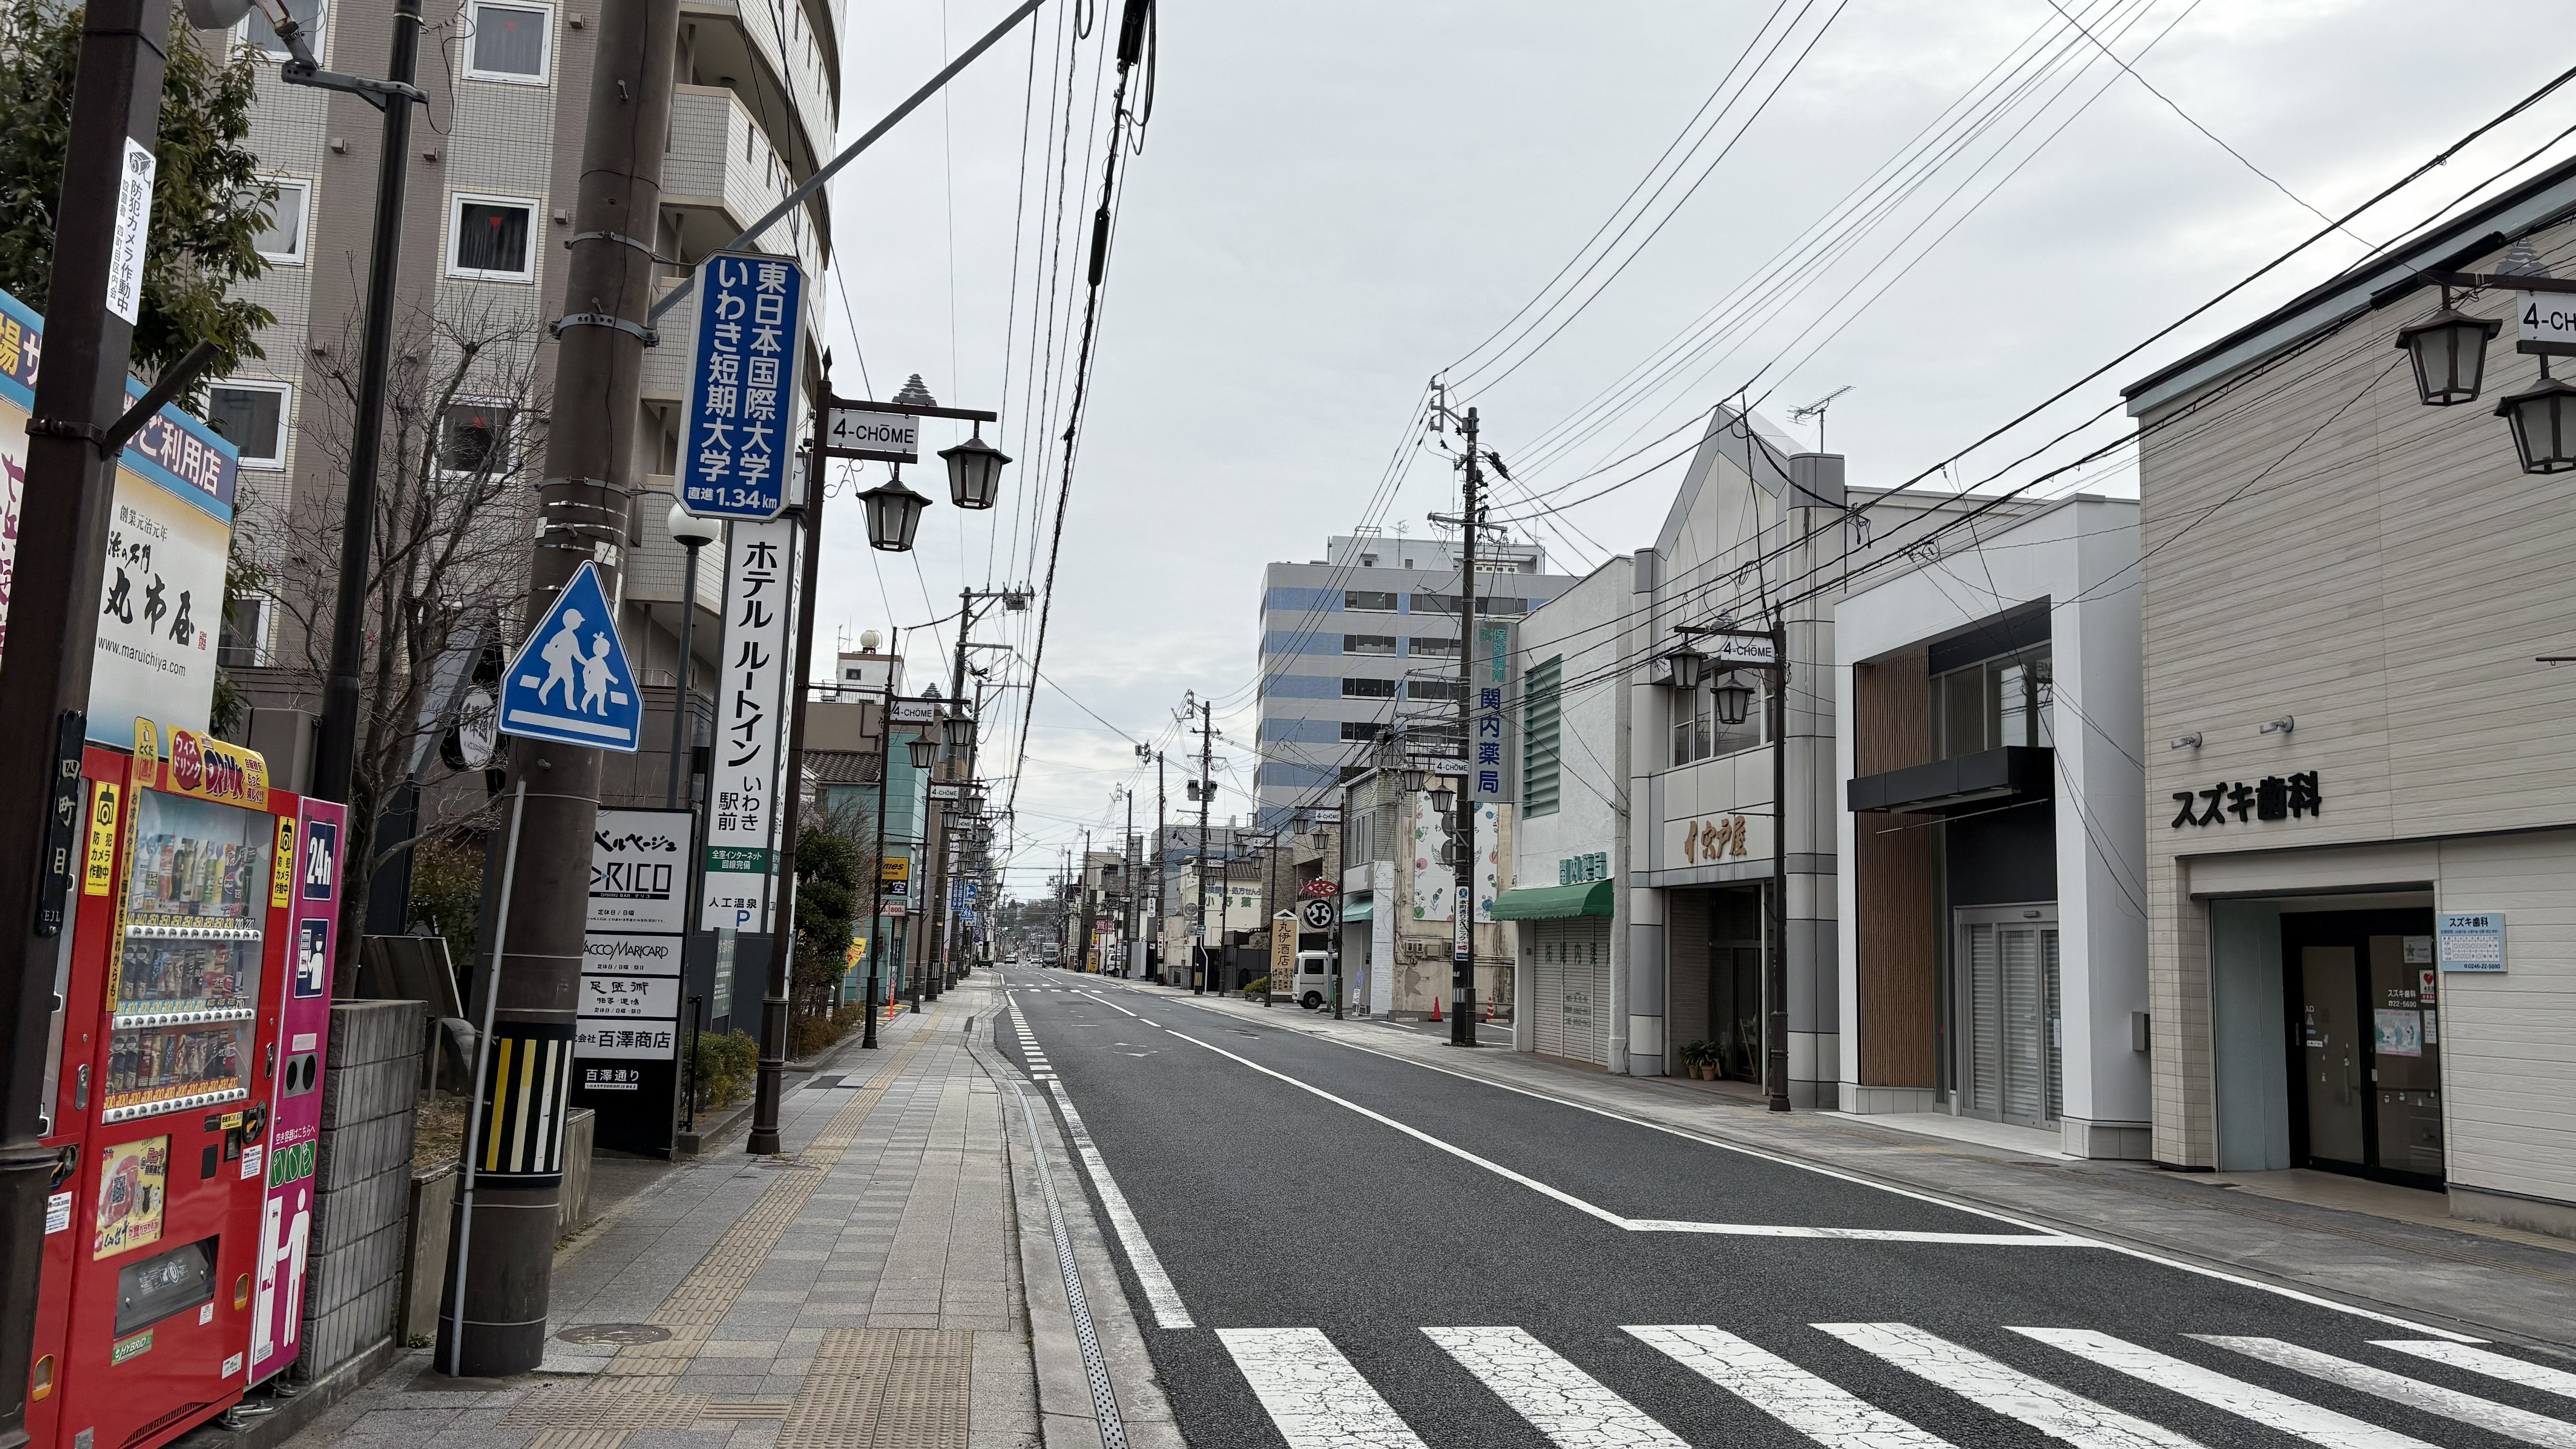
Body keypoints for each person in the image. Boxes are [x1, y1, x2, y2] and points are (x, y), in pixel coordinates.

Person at [537, 607, 584, 708]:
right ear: (575, 623)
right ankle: (543, 693)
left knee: (567, 683)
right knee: (558, 681)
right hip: (560, 663)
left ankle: (569, 704)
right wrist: (587, 663)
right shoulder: (569, 637)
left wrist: (586, 663)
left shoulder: (567, 636)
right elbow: (577, 654)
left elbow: (576, 654)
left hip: (565, 664)